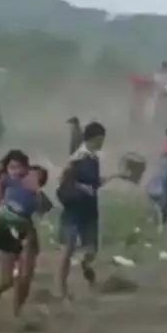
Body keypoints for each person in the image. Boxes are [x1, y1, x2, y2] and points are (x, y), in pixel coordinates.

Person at [55, 121, 123, 299]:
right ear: (94, 138)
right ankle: (62, 290)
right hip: (75, 208)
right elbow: (64, 178)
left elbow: (94, 183)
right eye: (101, 139)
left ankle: (87, 274)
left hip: (88, 208)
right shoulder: (79, 158)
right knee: (68, 250)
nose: (102, 143)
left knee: (91, 250)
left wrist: (115, 176)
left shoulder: (92, 158)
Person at [0, 151, 48, 315]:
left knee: (26, 276)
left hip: (26, 230)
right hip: (5, 230)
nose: (16, 171)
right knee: (7, 281)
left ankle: (17, 312)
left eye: (20, 167)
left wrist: (37, 192)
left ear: (26, 168)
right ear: (6, 169)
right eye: (12, 167)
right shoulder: (2, 183)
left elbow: (43, 208)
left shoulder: (32, 184)